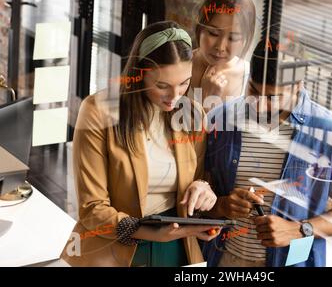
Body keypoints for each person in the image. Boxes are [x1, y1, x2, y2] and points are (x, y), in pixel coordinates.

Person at [61, 21, 219, 267]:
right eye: (162, 86)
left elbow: (196, 180)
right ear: (138, 75)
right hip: (113, 244)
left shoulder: (192, 115)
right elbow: (92, 209)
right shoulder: (97, 111)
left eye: (184, 83)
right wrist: (150, 232)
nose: (175, 97)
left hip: (177, 247)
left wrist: (202, 190)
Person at [202, 37, 332, 267]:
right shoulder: (222, 119)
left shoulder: (330, 132)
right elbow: (200, 189)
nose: (259, 104)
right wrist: (220, 206)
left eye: (272, 97)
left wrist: (299, 230)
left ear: (298, 86)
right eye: (253, 91)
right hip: (222, 259)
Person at [190, 0, 256, 108]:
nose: (220, 47)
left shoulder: (251, 79)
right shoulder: (178, 66)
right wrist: (206, 101)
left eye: (233, 38)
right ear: (201, 27)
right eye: (213, 33)